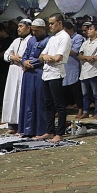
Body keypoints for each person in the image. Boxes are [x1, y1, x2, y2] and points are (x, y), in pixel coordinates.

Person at [38, 13, 72, 143]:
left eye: (52, 23)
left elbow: (58, 57)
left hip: (56, 73)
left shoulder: (64, 37)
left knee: (59, 104)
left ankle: (60, 132)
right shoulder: (52, 38)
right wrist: (47, 57)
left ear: (60, 23)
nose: (50, 26)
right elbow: (41, 55)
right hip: (46, 73)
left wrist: (48, 57)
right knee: (48, 104)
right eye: (49, 23)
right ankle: (49, 130)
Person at [18, 18, 49, 137]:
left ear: (43, 29)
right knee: (27, 101)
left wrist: (30, 64)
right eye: (33, 30)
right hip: (28, 74)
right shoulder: (31, 40)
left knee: (39, 102)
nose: (34, 33)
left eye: (36, 31)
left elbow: (43, 57)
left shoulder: (48, 40)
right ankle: (27, 129)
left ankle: (40, 129)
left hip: (39, 73)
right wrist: (23, 62)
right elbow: (25, 54)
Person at [2, 18, 32, 133]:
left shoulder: (31, 40)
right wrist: (12, 57)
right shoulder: (16, 41)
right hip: (13, 71)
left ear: (28, 28)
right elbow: (6, 54)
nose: (18, 29)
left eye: (21, 26)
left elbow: (25, 57)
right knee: (11, 97)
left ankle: (22, 124)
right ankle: (12, 124)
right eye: (18, 26)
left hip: (23, 71)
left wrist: (17, 58)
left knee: (21, 97)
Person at [78, 23, 97, 118]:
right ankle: (85, 111)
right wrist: (88, 58)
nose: (88, 31)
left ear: (96, 31)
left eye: (91, 29)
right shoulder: (85, 43)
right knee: (85, 94)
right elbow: (79, 55)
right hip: (84, 71)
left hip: (93, 71)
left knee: (96, 93)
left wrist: (86, 58)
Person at [62, 20, 84, 119]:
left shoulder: (77, 37)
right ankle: (64, 109)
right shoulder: (62, 38)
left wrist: (62, 49)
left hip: (73, 66)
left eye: (66, 31)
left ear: (70, 30)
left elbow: (75, 51)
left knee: (76, 89)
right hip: (63, 66)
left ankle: (80, 109)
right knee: (64, 90)